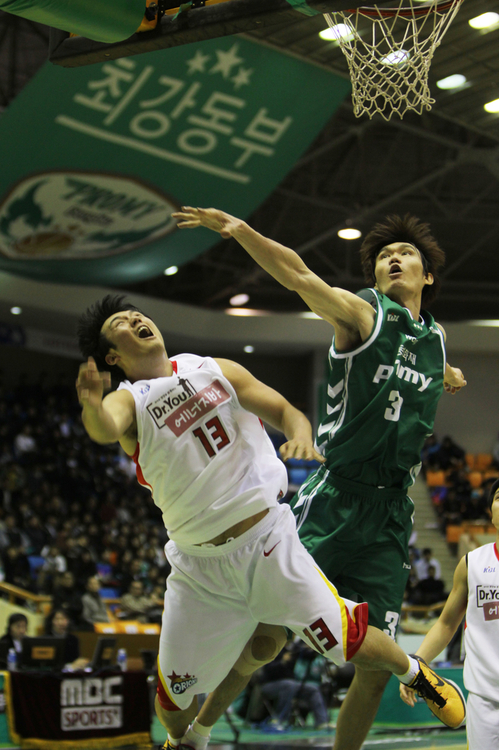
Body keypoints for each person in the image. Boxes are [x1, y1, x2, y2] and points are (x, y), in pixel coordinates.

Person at [76, 295, 465, 750]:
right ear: (113, 357)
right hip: (200, 568)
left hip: (268, 540)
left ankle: (418, 674)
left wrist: (299, 434)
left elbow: (284, 410)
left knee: (346, 639)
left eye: (136, 312)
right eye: (122, 322)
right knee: (171, 697)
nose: (137, 318)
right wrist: (90, 404)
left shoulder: (211, 367)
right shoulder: (129, 400)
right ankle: (184, 741)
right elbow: (105, 426)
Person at [173, 207, 467, 750]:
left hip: (391, 511)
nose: (393, 259)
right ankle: (198, 735)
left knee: (375, 668)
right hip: (335, 498)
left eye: (405, 255)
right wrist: (242, 232)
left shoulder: (436, 337)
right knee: (267, 640)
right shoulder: (361, 314)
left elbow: (429, 360)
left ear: (428, 277)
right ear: (374, 276)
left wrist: (446, 373)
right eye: (383, 257)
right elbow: (299, 273)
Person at [400, 478, 499, 749]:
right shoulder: (472, 564)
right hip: (485, 699)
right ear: (491, 512)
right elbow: (445, 624)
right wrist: (416, 667)